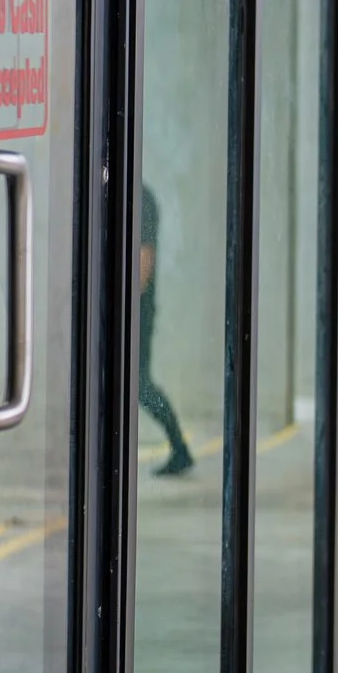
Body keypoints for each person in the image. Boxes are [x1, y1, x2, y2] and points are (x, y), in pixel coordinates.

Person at [138, 184, 193, 477]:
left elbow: (144, 259)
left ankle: (179, 447)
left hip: (134, 311)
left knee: (140, 384)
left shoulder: (141, 198)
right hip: (125, 310)